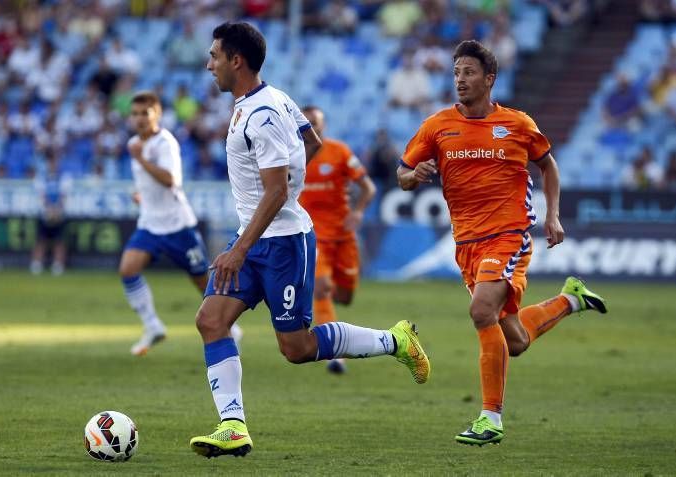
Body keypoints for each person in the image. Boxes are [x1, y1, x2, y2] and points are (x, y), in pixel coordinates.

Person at [189, 21, 430, 459]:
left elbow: (277, 191)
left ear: (236, 61)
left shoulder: (261, 115)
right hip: (255, 236)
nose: (209, 65)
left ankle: (396, 341)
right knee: (211, 320)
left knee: (297, 348)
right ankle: (233, 426)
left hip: (281, 243)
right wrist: (282, 193)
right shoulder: (273, 98)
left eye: (215, 56)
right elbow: (312, 142)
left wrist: (239, 248)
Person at [398, 40, 608, 446]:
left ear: (490, 79)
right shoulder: (436, 126)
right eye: (457, 72)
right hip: (466, 243)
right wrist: (414, 175)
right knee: (515, 340)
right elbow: (402, 175)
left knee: (480, 311)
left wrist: (552, 215)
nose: (461, 79)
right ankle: (571, 299)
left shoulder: (518, 124)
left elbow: (547, 165)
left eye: (469, 72)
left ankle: (490, 418)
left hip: (509, 234)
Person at [119, 91, 242, 356]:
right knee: (128, 269)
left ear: (157, 114)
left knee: (201, 281)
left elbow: (170, 180)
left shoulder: (165, 143)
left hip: (178, 225)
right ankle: (152, 326)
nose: (139, 119)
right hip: (150, 223)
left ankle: (229, 324)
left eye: (145, 113)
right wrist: (142, 196)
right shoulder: (134, 143)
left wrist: (141, 159)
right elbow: (152, 183)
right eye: (136, 114)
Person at [298, 105, 377, 374]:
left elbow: (368, 187)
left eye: (315, 122)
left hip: (343, 237)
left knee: (344, 295)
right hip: (313, 236)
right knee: (320, 287)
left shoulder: (340, 152)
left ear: (323, 126)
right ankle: (335, 353)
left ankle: (333, 300)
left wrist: (357, 212)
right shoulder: (293, 156)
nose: (311, 127)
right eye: (306, 122)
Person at [30, 154, 70, 276]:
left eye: (55, 162)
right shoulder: (41, 178)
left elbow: (64, 195)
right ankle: (37, 263)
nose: (53, 165)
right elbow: (41, 195)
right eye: (51, 163)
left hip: (59, 214)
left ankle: (58, 264)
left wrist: (57, 209)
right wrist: (49, 209)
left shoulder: (64, 177)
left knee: (59, 240)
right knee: (40, 240)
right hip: (44, 213)